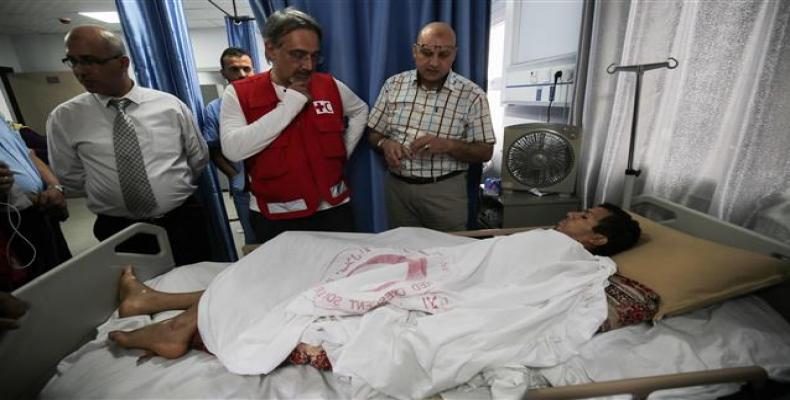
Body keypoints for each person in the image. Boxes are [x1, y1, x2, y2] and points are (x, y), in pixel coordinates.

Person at [108, 203, 640, 392]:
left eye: (586, 218)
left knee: (297, 263)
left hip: (438, 273)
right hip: (437, 257)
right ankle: (157, 306)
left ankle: (170, 321)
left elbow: (502, 284)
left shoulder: (570, 258)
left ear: (596, 239)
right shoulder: (555, 243)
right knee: (292, 252)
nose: (574, 214)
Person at [47, 26, 211, 266]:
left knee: (196, 285)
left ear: (122, 62)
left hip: (181, 221)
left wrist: (166, 187)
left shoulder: (169, 106)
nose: (80, 71)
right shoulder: (65, 117)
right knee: (134, 294)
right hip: (118, 229)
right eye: (72, 61)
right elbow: (70, 176)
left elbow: (197, 158)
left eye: (89, 61)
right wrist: (113, 192)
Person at [219, 8, 369, 243]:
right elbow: (233, 149)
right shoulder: (239, 93)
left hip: (334, 209)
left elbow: (360, 111)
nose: (308, 66)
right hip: (277, 217)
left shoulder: (329, 85)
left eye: (314, 55)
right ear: (271, 49)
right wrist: (289, 105)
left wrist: (342, 152)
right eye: (298, 55)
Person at [368, 22, 496, 232]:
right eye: (426, 53)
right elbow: (373, 133)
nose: (434, 63)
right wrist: (384, 143)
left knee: (449, 257)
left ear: (454, 55)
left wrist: (448, 145)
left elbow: (485, 151)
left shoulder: (472, 96)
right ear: (414, 51)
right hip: (398, 189)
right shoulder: (393, 85)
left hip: (444, 192)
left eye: (443, 55)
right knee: (402, 253)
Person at [0, 117, 71, 288]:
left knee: (64, 276)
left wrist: (55, 186)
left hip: (41, 210)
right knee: (33, 291)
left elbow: (29, 153)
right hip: (9, 224)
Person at [203, 47, 256, 245]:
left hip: (277, 185)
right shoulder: (215, 109)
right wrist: (235, 176)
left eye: (246, 69)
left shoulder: (270, 101)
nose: (242, 75)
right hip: (244, 188)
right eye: (234, 69)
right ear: (223, 73)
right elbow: (213, 149)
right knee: (254, 241)